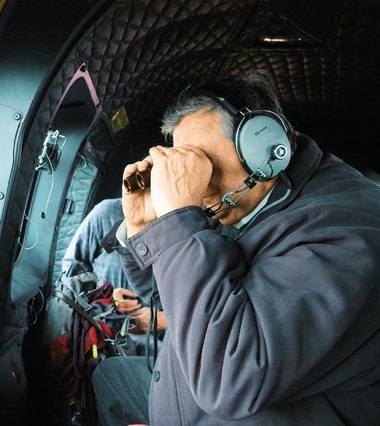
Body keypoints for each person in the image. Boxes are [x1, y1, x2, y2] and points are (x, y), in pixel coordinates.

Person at [92, 73, 380, 425]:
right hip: (191, 395)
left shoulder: (349, 235)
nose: (198, 185)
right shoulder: (243, 203)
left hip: (230, 395)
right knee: (109, 374)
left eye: (205, 163)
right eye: (189, 165)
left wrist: (181, 220)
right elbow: (177, 302)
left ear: (265, 147)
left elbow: (230, 374)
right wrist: (146, 227)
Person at [61, 198, 167, 343]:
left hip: (164, 345)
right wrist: (104, 298)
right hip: (105, 341)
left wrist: (168, 320)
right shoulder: (106, 213)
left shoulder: (186, 225)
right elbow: (71, 269)